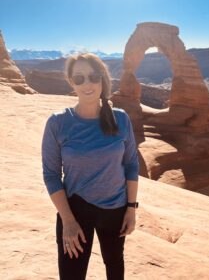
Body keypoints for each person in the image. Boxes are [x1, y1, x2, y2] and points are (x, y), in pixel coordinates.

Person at [41, 53, 140, 280]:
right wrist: (67, 220)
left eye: (93, 77)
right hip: (76, 212)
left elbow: (131, 165)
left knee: (115, 268)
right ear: (71, 82)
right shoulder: (58, 123)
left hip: (115, 209)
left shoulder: (121, 119)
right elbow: (51, 175)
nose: (87, 84)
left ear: (103, 80)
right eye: (79, 78)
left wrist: (131, 209)